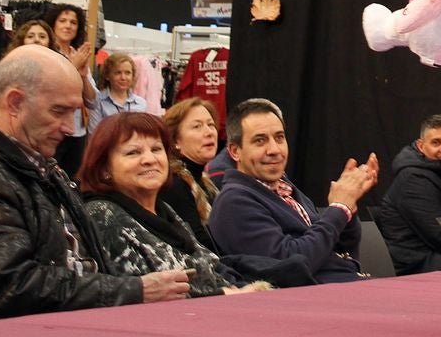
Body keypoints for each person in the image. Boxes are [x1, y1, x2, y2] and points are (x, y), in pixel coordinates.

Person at [0, 44, 190, 321]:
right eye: (59, 112)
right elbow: (11, 289)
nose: (70, 127)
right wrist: (134, 290)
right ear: (15, 103)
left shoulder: (35, 168)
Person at [79, 113, 262, 298]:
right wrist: (225, 294)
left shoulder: (164, 210)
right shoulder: (101, 214)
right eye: (133, 152)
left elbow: (212, 266)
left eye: (157, 149)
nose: (149, 159)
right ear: (104, 169)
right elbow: (149, 292)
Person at [208, 99, 376, 284]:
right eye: (260, 140)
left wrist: (348, 207)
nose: (274, 149)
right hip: (311, 302)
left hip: (349, 285)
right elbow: (291, 264)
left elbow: (344, 252)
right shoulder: (233, 202)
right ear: (235, 151)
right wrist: (338, 209)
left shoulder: (285, 188)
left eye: (279, 138)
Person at [376, 114, 441, 276]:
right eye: (436, 142)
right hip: (415, 266)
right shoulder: (413, 179)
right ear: (421, 146)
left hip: (436, 256)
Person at [161, 98, 221, 251]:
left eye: (211, 124)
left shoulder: (206, 181)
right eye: (197, 127)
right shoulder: (175, 184)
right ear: (175, 141)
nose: (209, 132)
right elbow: (198, 244)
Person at [44, 2, 95, 177]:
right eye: (63, 21)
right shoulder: (45, 53)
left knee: (72, 180)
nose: (68, 26)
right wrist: (73, 66)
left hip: (77, 131)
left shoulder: (78, 54)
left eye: (73, 22)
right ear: (53, 24)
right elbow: (47, 90)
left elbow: (93, 101)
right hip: (51, 128)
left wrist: (81, 75)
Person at [88, 53, 149, 131]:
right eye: (118, 73)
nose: (123, 78)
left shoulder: (141, 103)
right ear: (107, 76)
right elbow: (94, 135)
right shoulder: (98, 102)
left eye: (127, 73)